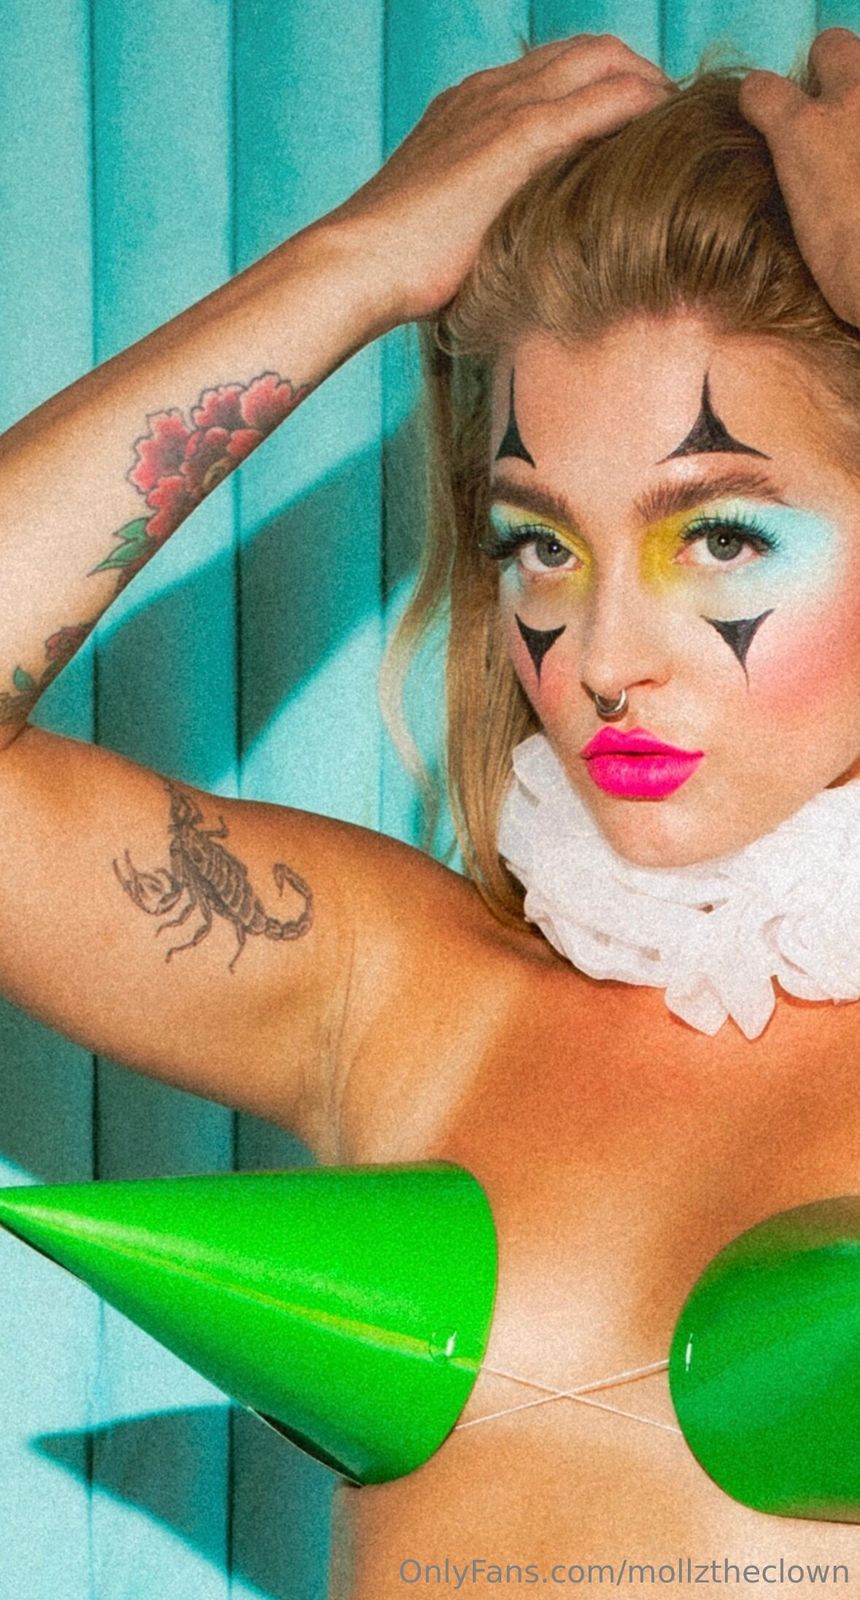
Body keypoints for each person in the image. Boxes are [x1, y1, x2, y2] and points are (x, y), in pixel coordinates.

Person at [0, 24, 858, 1598]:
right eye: (542, 543)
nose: (602, 657)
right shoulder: (406, 997)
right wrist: (356, 263)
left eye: (721, 537)